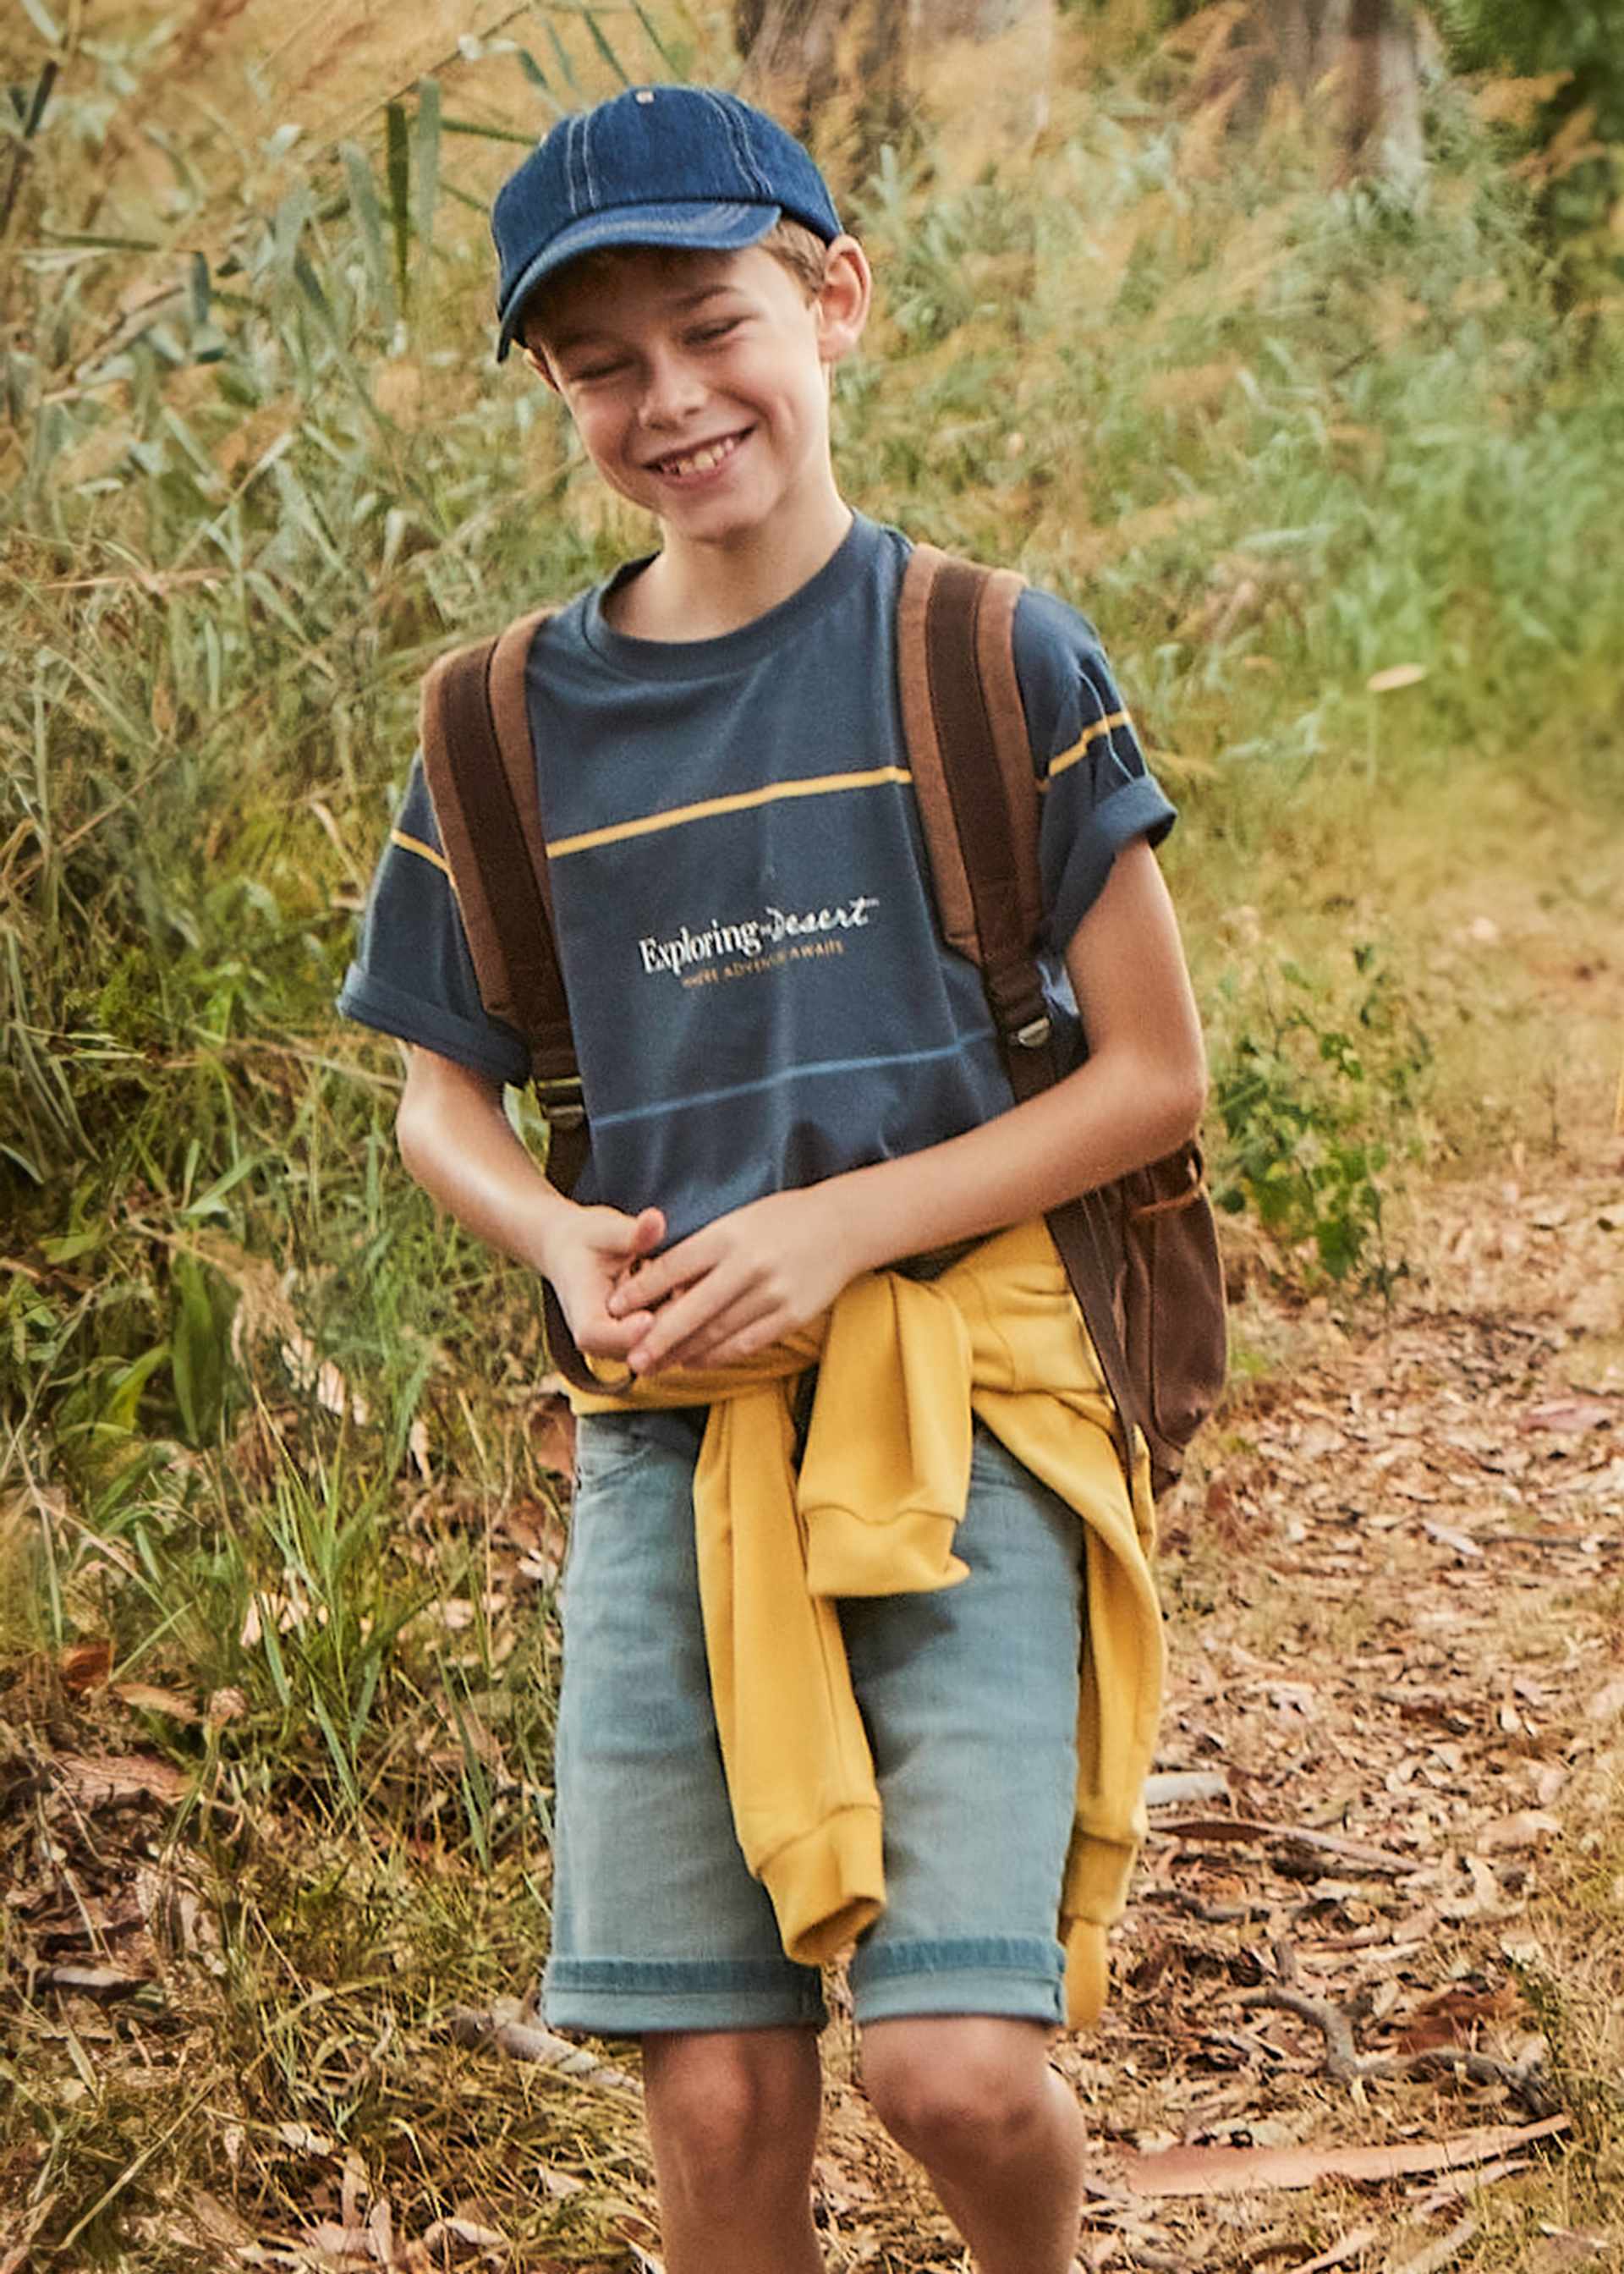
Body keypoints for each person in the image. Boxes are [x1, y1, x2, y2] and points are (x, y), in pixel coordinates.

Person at [338, 83, 1207, 2274]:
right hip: (667, 1451)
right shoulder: (499, 723)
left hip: (970, 1412)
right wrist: (552, 1233)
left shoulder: (985, 653)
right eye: (601, 364)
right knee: (720, 2100)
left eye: (715, 325)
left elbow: (1151, 1077)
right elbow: (444, 1103)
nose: (673, 400)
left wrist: (838, 1224)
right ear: (557, 394)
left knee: (953, 2069)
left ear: (836, 302)